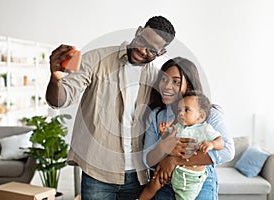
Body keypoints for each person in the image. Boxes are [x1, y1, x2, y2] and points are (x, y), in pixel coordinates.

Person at [46, 16, 176, 200]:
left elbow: (174, 114)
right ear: (138, 31)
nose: (141, 50)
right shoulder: (97, 58)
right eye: (142, 40)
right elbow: (61, 99)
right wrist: (56, 79)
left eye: (151, 50)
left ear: (161, 52)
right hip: (98, 172)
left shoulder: (156, 79)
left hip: (138, 175)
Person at [141, 57, 235, 200]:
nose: (166, 86)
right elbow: (147, 159)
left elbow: (227, 151)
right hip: (166, 182)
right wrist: (164, 148)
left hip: (198, 181)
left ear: (189, 86)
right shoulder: (156, 115)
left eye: (176, 82)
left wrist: (174, 160)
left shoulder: (207, 114)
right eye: (164, 79)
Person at [139, 90, 224, 200]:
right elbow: (167, 144)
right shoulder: (178, 127)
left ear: (200, 116)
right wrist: (163, 132)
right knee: (154, 181)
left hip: (190, 179)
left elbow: (221, 142)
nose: (181, 113)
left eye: (186, 110)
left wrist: (212, 144)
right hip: (174, 173)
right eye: (179, 110)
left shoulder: (204, 129)